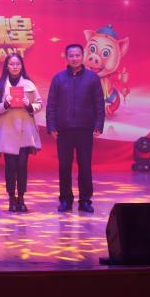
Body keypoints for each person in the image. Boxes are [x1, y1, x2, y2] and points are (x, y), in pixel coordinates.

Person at [46, 43, 105, 213]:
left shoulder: (92, 78)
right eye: (71, 56)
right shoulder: (58, 78)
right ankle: (65, 199)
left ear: (83, 56)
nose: (74, 58)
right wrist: (51, 126)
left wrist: (98, 124)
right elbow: (51, 104)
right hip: (63, 130)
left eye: (77, 55)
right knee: (64, 166)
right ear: (66, 57)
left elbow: (99, 103)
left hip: (85, 129)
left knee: (85, 166)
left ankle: (85, 200)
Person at [0, 53, 44, 213]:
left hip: (25, 131)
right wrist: (5, 104)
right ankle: (11, 198)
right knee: (10, 167)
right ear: (7, 66)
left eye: (17, 64)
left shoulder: (29, 85)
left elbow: (39, 104)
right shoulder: (0, 86)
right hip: (7, 131)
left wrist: (29, 105)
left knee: (22, 166)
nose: (14, 67)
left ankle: (21, 198)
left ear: (21, 66)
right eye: (11, 64)